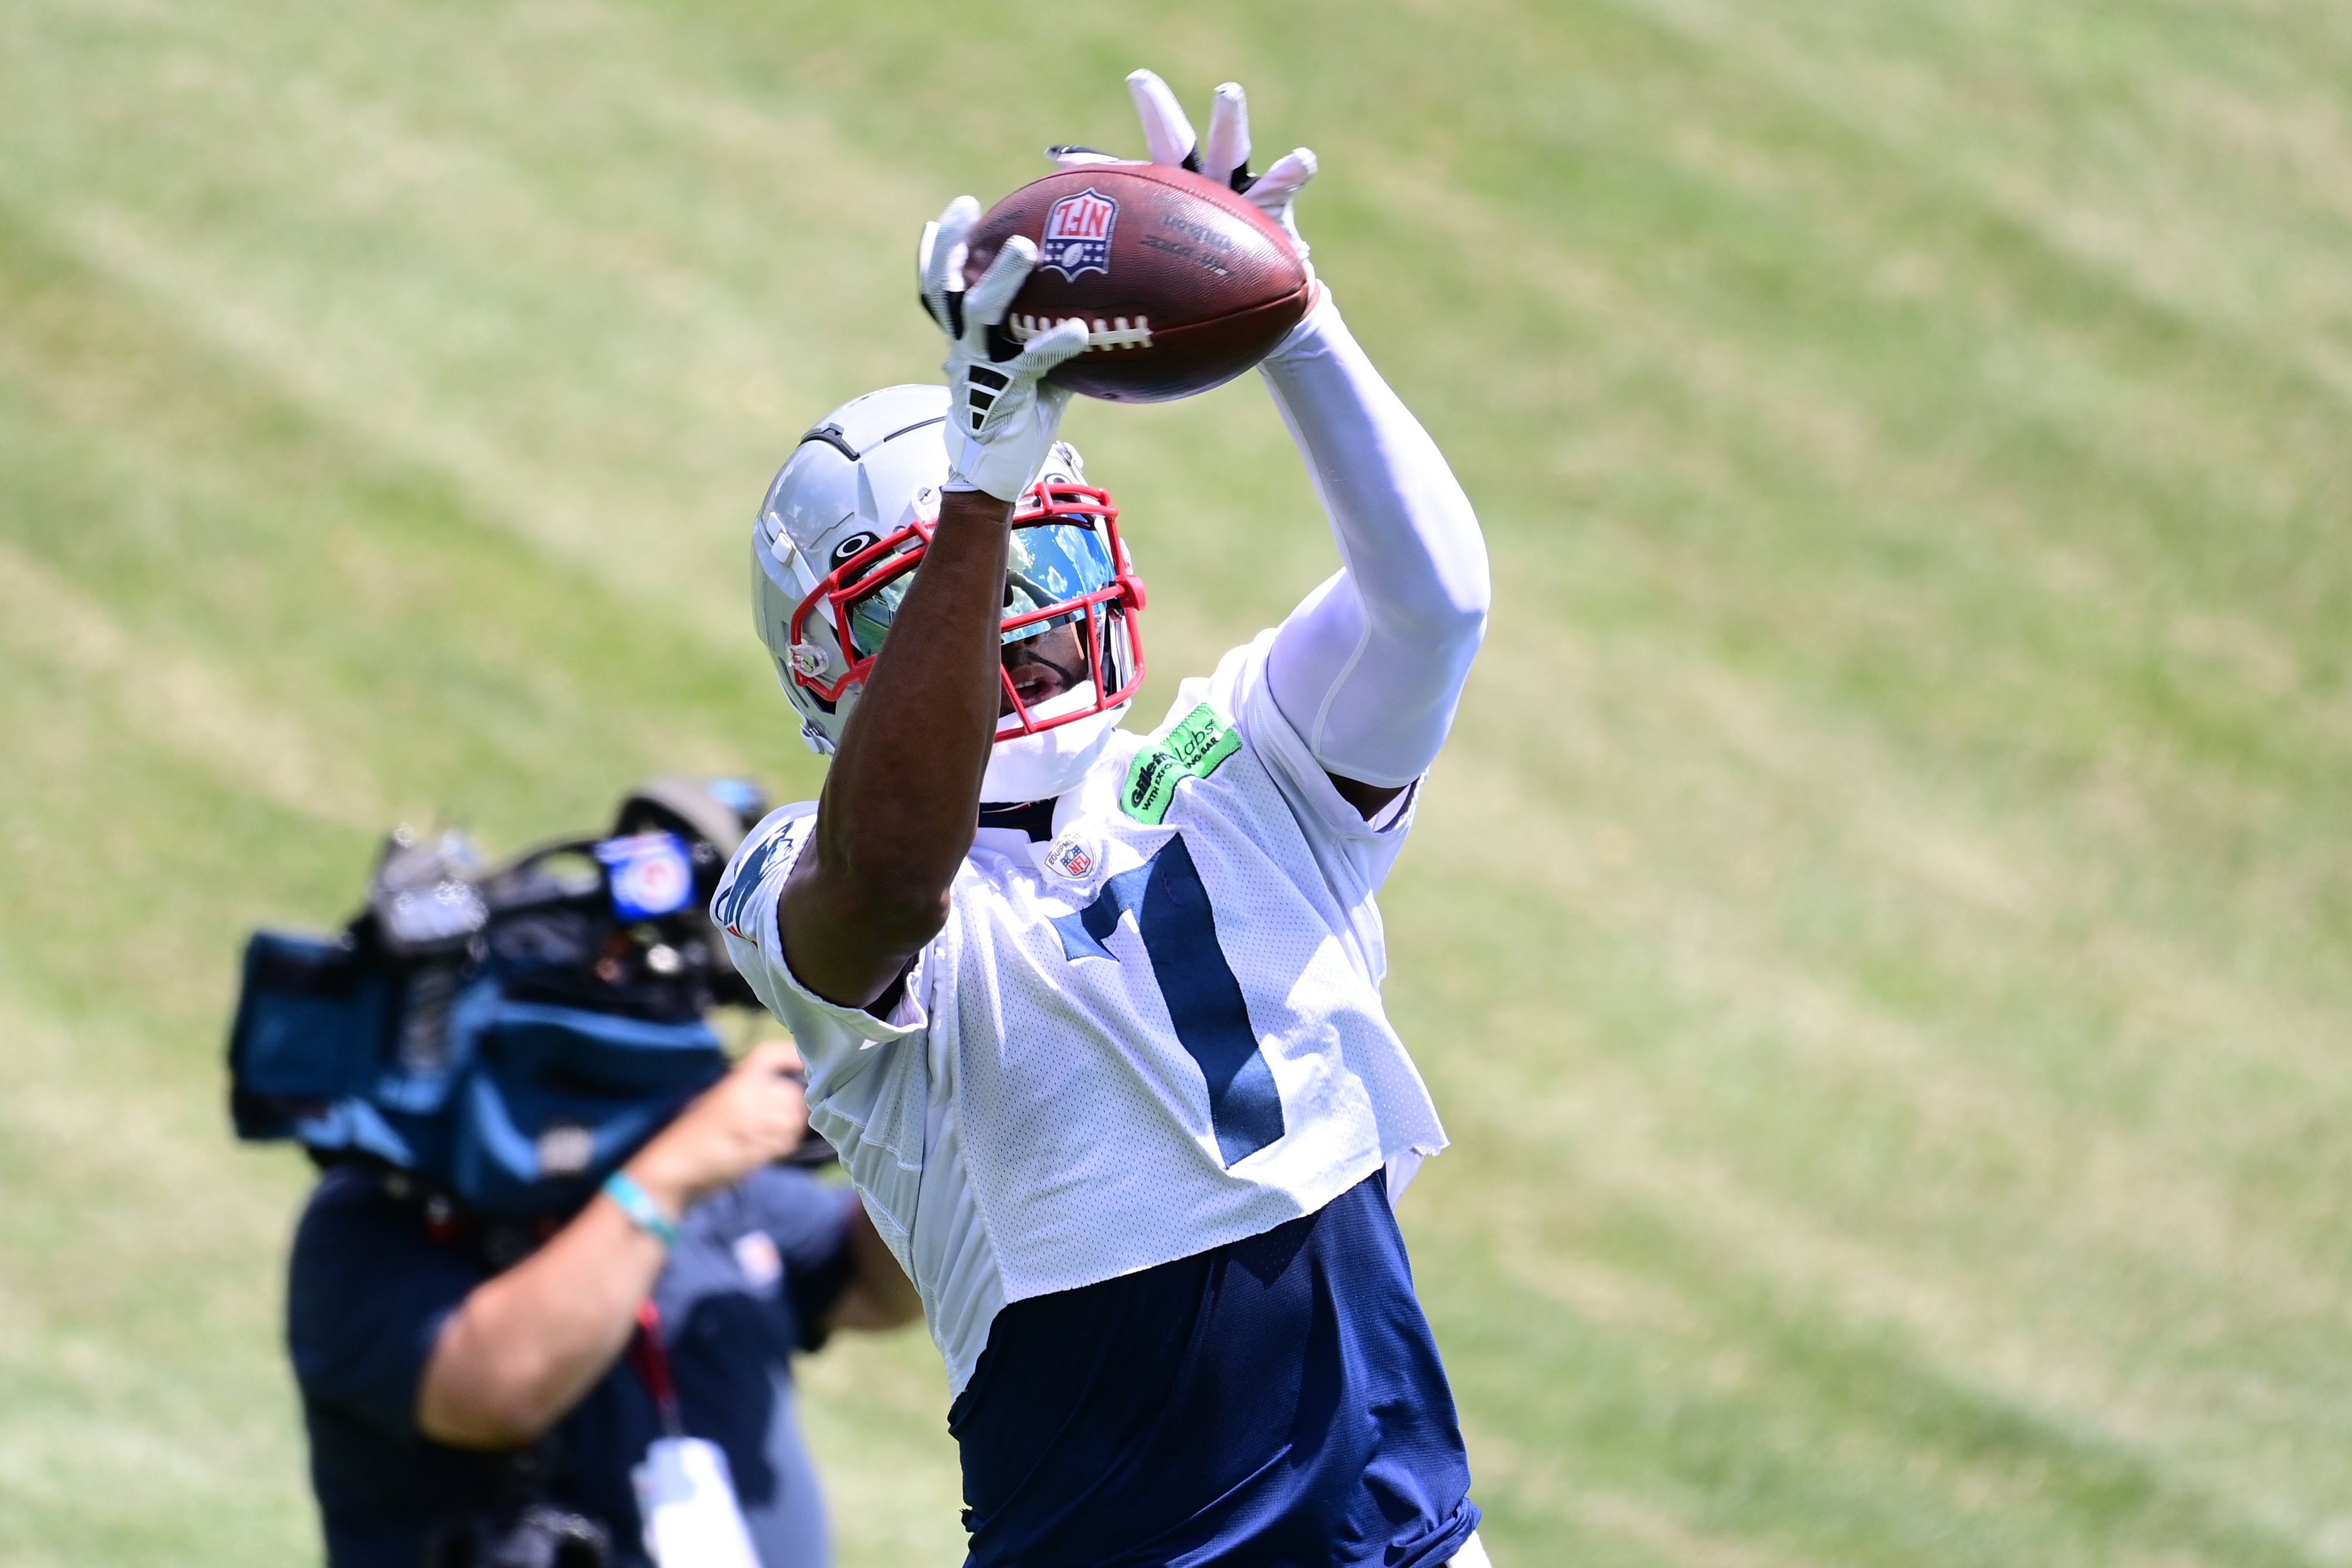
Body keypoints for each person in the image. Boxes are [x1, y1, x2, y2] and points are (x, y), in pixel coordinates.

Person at [717, 70, 1492, 1567]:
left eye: (1042, 570)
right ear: (838, 666)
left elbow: (1436, 599)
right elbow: (886, 878)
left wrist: (1297, 318)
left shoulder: (1239, 762)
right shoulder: (788, 884)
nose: (1031, 625)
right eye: (965, 591)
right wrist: (979, 495)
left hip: (1396, 1521)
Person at [280, 782, 924, 1568]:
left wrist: (912, 1111)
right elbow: (493, 1388)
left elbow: (876, 1284)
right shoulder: (373, 1218)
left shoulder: (706, 1167)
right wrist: (665, 1180)